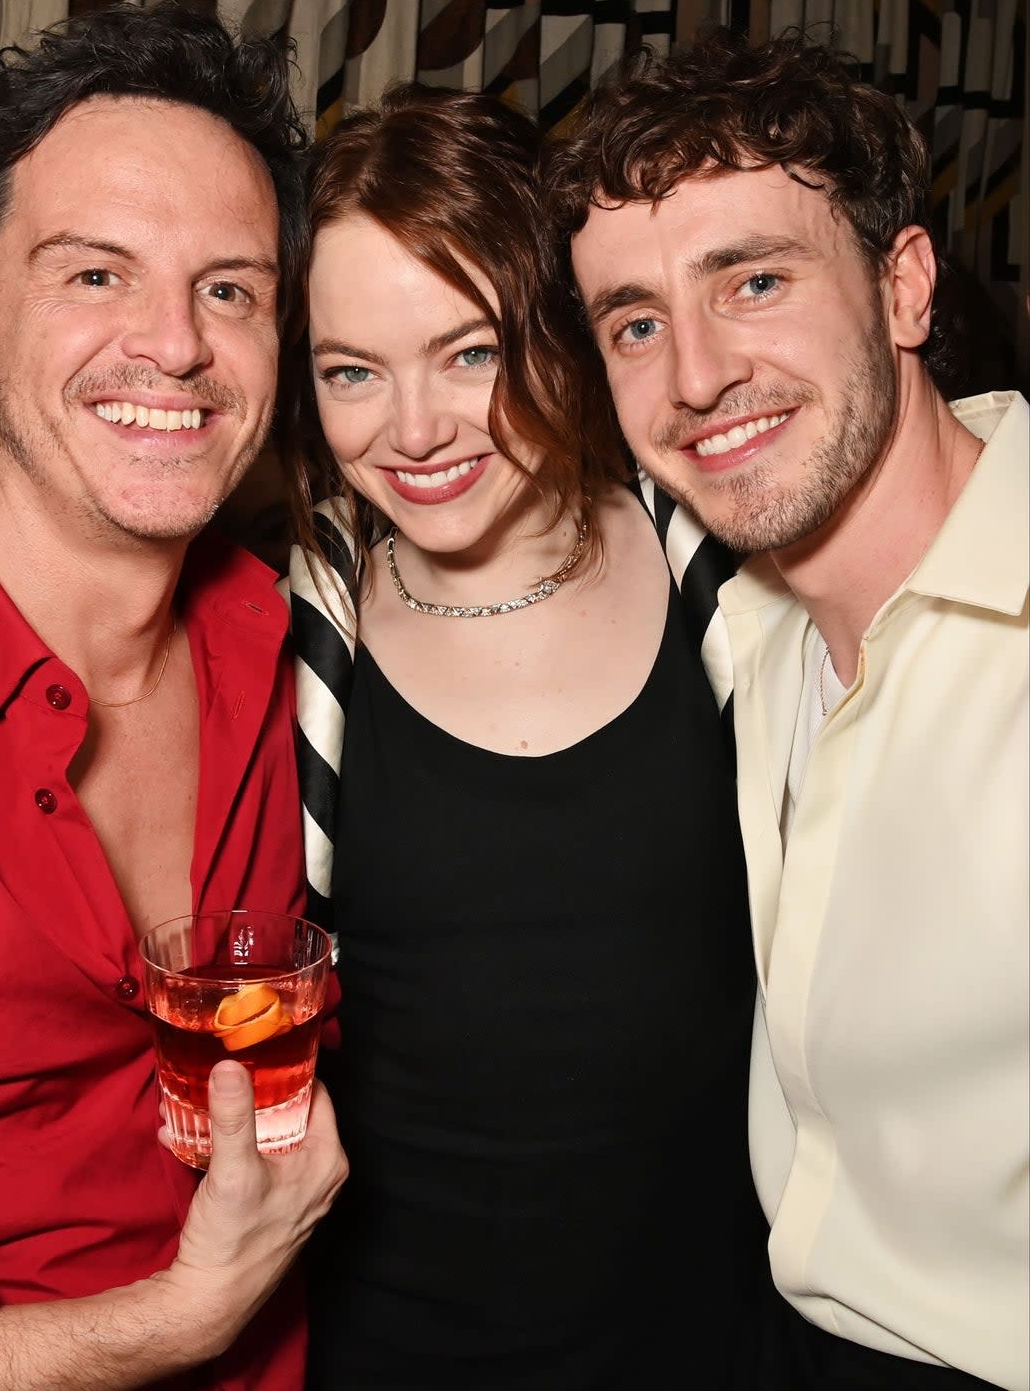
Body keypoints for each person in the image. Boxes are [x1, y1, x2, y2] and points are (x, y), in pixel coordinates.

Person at [0, 0, 346, 1391]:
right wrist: (178, 1317)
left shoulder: (304, 654)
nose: (175, 346)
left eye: (228, 287)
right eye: (96, 276)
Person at [548, 27, 1029, 1391]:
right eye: (636, 321)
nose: (694, 376)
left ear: (903, 285)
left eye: (752, 280)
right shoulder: (747, 632)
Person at [278, 85, 768, 1390]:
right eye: (351, 373)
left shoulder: (734, 579)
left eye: (470, 351)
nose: (417, 429)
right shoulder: (287, 644)